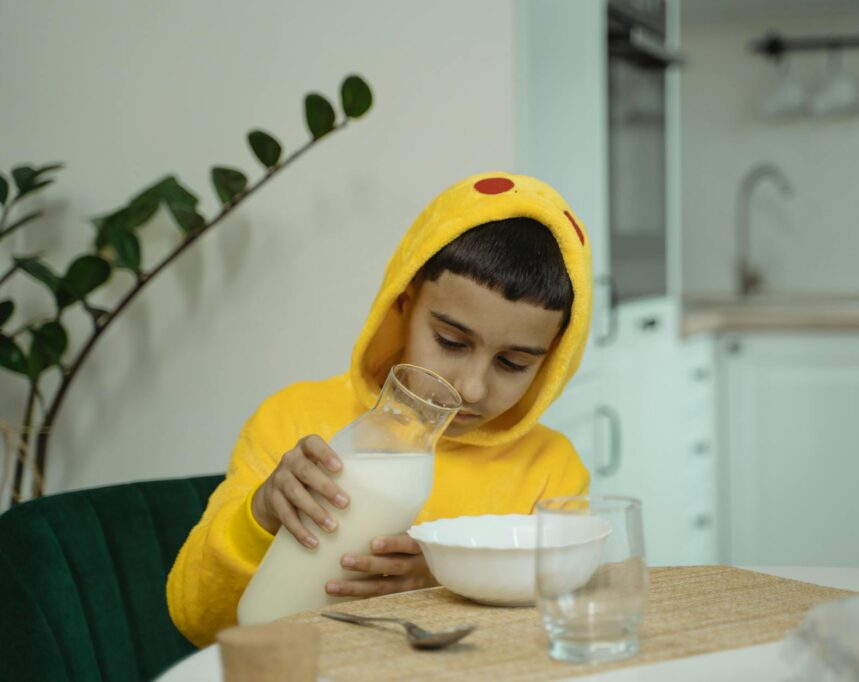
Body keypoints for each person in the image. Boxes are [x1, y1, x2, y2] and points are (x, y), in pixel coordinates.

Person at [166, 172, 593, 647]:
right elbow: (196, 617)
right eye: (450, 342)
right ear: (403, 306)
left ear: (552, 360)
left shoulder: (551, 472)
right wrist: (260, 519)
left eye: (513, 363)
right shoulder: (295, 421)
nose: (471, 389)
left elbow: (563, 632)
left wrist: (444, 586)